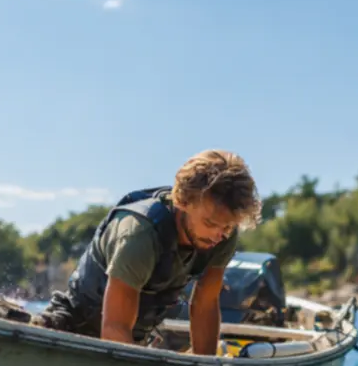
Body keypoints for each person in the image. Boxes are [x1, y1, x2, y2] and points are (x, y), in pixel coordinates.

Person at [34, 149, 263, 354]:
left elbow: (205, 305)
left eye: (228, 226)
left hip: (133, 341)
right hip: (71, 332)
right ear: (183, 201)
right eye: (211, 223)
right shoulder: (139, 234)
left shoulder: (222, 237)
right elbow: (115, 327)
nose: (218, 235)